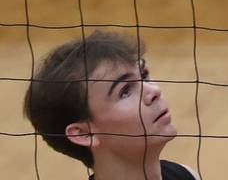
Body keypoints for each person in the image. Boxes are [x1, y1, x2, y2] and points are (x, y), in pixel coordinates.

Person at [23, 29, 198, 180]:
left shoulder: (186, 175)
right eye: (125, 91)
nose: (153, 91)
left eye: (144, 75)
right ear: (84, 134)